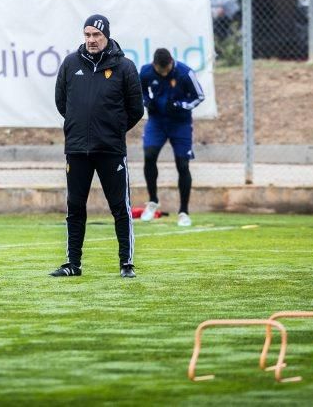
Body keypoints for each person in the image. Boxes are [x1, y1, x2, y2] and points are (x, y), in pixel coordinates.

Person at [51, 14, 144, 278]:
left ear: (106, 36)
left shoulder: (124, 67)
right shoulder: (71, 64)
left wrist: (112, 129)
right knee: (75, 207)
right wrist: (78, 126)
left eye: (96, 35)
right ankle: (73, 263)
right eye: (87, 35)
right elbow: (62, 103)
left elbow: (135, 109)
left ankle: (126, 263)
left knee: (120, 207)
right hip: (77, 149)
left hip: (110, 149)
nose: (91, 40)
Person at [138, 48, 205, 227]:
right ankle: (152, 201)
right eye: (161, 71)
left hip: (180, 124)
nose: (165, 73)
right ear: (154, 66)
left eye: (167, 69)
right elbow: (139, 91)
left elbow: (199, 96)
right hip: (157, 122)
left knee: (182, 164)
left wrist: (181, 105)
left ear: (171, 63)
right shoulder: (145, 72)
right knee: (149, 155)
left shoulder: (184, 73)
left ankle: (183, 211)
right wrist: (146, 101)